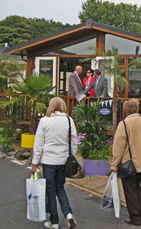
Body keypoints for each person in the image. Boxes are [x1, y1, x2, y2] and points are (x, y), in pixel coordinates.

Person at [31, 97, 77, 229]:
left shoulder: (45, 121)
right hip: (63, 160)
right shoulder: (69, 120)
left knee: (50, 190)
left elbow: (39, 143)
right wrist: (72, 157)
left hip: (48, 160)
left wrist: (35, 163)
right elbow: (73, 140)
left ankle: (54, 221)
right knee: (60, 188)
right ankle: (68, 214)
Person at [111, 99, 141, 226]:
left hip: (129, 163)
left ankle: (135, 217)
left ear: (125, 110)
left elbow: (118, 147)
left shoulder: (124, 124)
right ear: (137, 108)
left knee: (129, 189)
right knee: (137, 186)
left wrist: (114, 164)